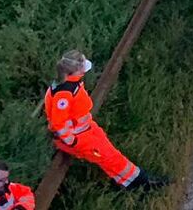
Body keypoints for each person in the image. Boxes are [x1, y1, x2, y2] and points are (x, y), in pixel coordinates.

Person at [43, 50, 162, 190]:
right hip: (78, 137)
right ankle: (141, 182)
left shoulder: (69, 83)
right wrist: (72, 141)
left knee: (110, 155)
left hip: (86, 129)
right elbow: (58, 123)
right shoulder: (64, 93)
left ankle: (133, 181)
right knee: (108, 157)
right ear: (75, 71)